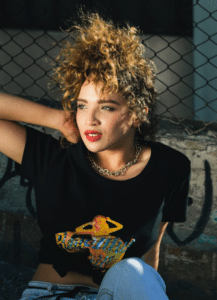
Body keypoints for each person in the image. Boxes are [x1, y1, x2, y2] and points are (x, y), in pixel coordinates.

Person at [0, 7, 191, 300]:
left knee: (131, 270)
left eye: (107, 107)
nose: (90, 119)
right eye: (82, 105)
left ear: (139, 113)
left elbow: (151, 257)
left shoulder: (171, 167)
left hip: (118, 292)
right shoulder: (51, 158)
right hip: (51, 293)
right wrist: (55, 118)